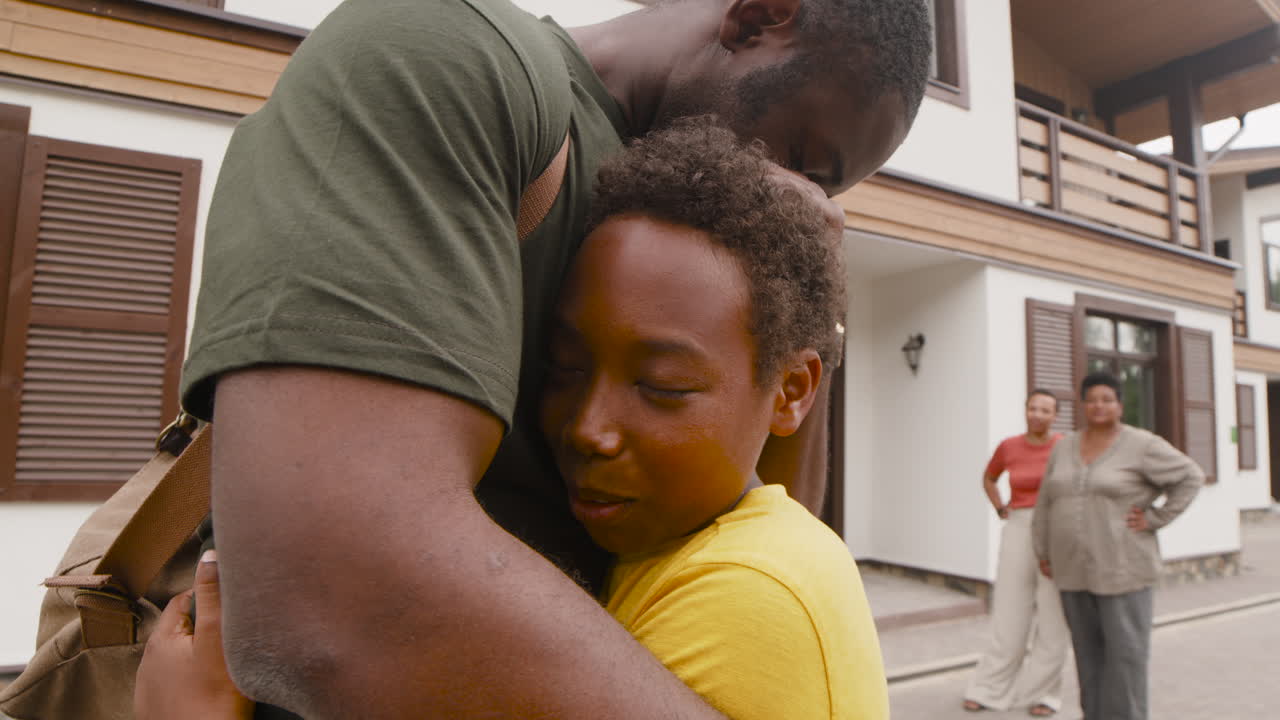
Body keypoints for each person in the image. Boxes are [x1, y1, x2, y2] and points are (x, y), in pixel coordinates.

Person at [176, 0, 933, 715]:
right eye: (799, 160)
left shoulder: (684, 227)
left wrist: (808, 304)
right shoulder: (451, 58)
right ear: (759, 15)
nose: (801, 200)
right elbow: (333, 602)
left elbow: (752, 517)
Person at [1032, 371, 1204, 720]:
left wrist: (1155, 519)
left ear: (1120, 405)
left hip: (1123, 568)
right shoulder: (1064, 446)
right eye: (1092, 399)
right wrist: (1043, 550)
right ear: (1082, 404)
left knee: (1125, 657)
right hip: (1072, 570)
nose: (1099, 405)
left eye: (1107, 399)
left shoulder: (1142, 444)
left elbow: (1190, 477)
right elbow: (1045, 500)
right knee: (1088, 656)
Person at [963, 390, 1069, 717]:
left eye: (1045, 410)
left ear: (1055, 415)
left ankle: (1045, 695)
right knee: (1009, 613)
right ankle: (988, 689)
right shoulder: (1009, 446)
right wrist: (999, 507)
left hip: (1056, 530)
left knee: (1053, 618)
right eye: (1033, 408)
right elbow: (989, 478)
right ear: (1025, 411)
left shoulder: (1065, 446)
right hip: (1019, 528)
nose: (1038, 414)